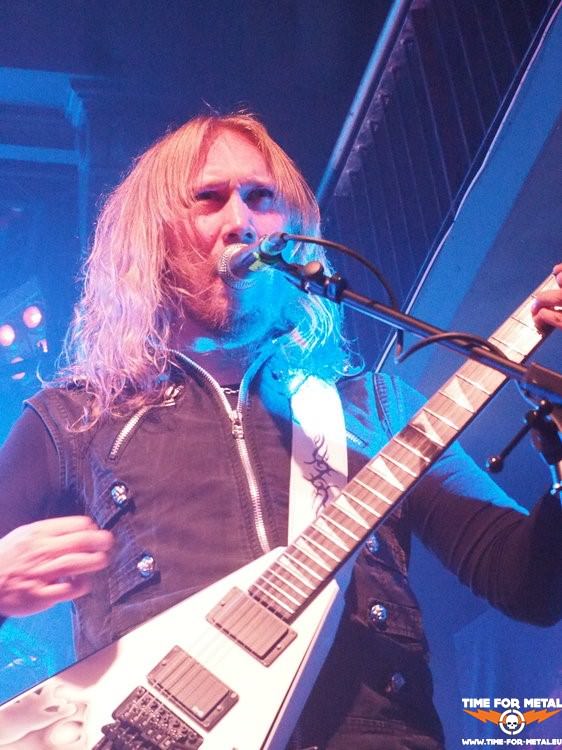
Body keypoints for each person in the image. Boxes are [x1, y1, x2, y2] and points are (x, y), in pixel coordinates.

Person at [0, 113, 560, 749]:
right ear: (151, 240)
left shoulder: (375, 406)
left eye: (261, 197)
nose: (241, 221)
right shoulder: (75, 421)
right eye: (209, 197)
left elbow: (527, 585)